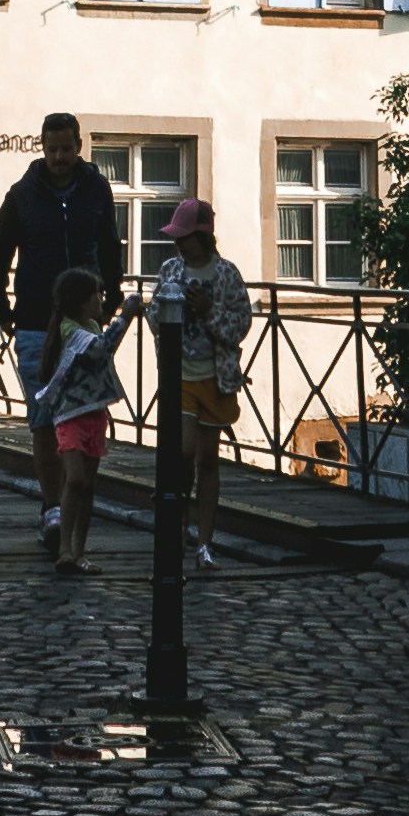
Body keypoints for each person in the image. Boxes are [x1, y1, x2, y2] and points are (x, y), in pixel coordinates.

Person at [0, 111, 124, 475]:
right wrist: (4, 312)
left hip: (84, 323)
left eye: (66, 149)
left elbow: (110, 246)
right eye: (52, 150)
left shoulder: (97, 190)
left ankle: (75, 495)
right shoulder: (21, 195)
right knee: (44, 418)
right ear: (42, 148)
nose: (59, 157)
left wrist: (112, 300)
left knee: (84, 413)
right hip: (35, 321)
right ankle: (52, 507)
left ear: (79, 147)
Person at [155, 194, 252, 560]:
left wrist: (209, 310)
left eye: (185, 237)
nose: (179, 243)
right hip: (179, 375)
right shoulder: (170, 271)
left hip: (217, 377)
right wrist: (173, 308)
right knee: (182, 451)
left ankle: (205, 541)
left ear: (204, 236)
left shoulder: (226, 274)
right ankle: (178, 525)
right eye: (176, 238)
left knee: (208, 461)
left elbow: (240, 324)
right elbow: (154, 317)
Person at [37, 277, 129, 572]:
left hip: (93, 413)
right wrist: (125, 317)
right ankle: (65, 547)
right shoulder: (71, 330)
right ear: (81, 302)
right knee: (75, 478)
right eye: (97, 297)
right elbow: (100, 350)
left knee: (88, 485)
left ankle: (78, 552)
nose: (101, 302)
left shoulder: (88, 327)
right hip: (70, 414)